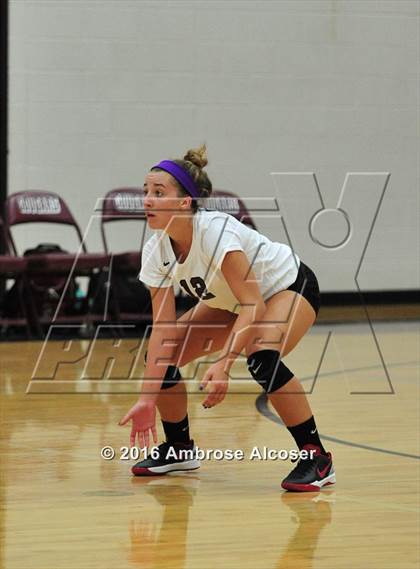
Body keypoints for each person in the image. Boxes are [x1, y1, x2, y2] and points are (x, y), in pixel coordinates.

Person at [118, 145, 335, 491]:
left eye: (159, 192)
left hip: (286, 287)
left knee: (262, 357)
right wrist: (146, 399)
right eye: (145, 191)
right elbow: (163, 329)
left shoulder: (215, 231)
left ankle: (317, 457)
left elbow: (253, 304)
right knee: (162, 356)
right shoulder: (156, 250)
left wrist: (225, 361)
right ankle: (178, 448)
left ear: (185, 202)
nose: (147, 199)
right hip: (232, 302)